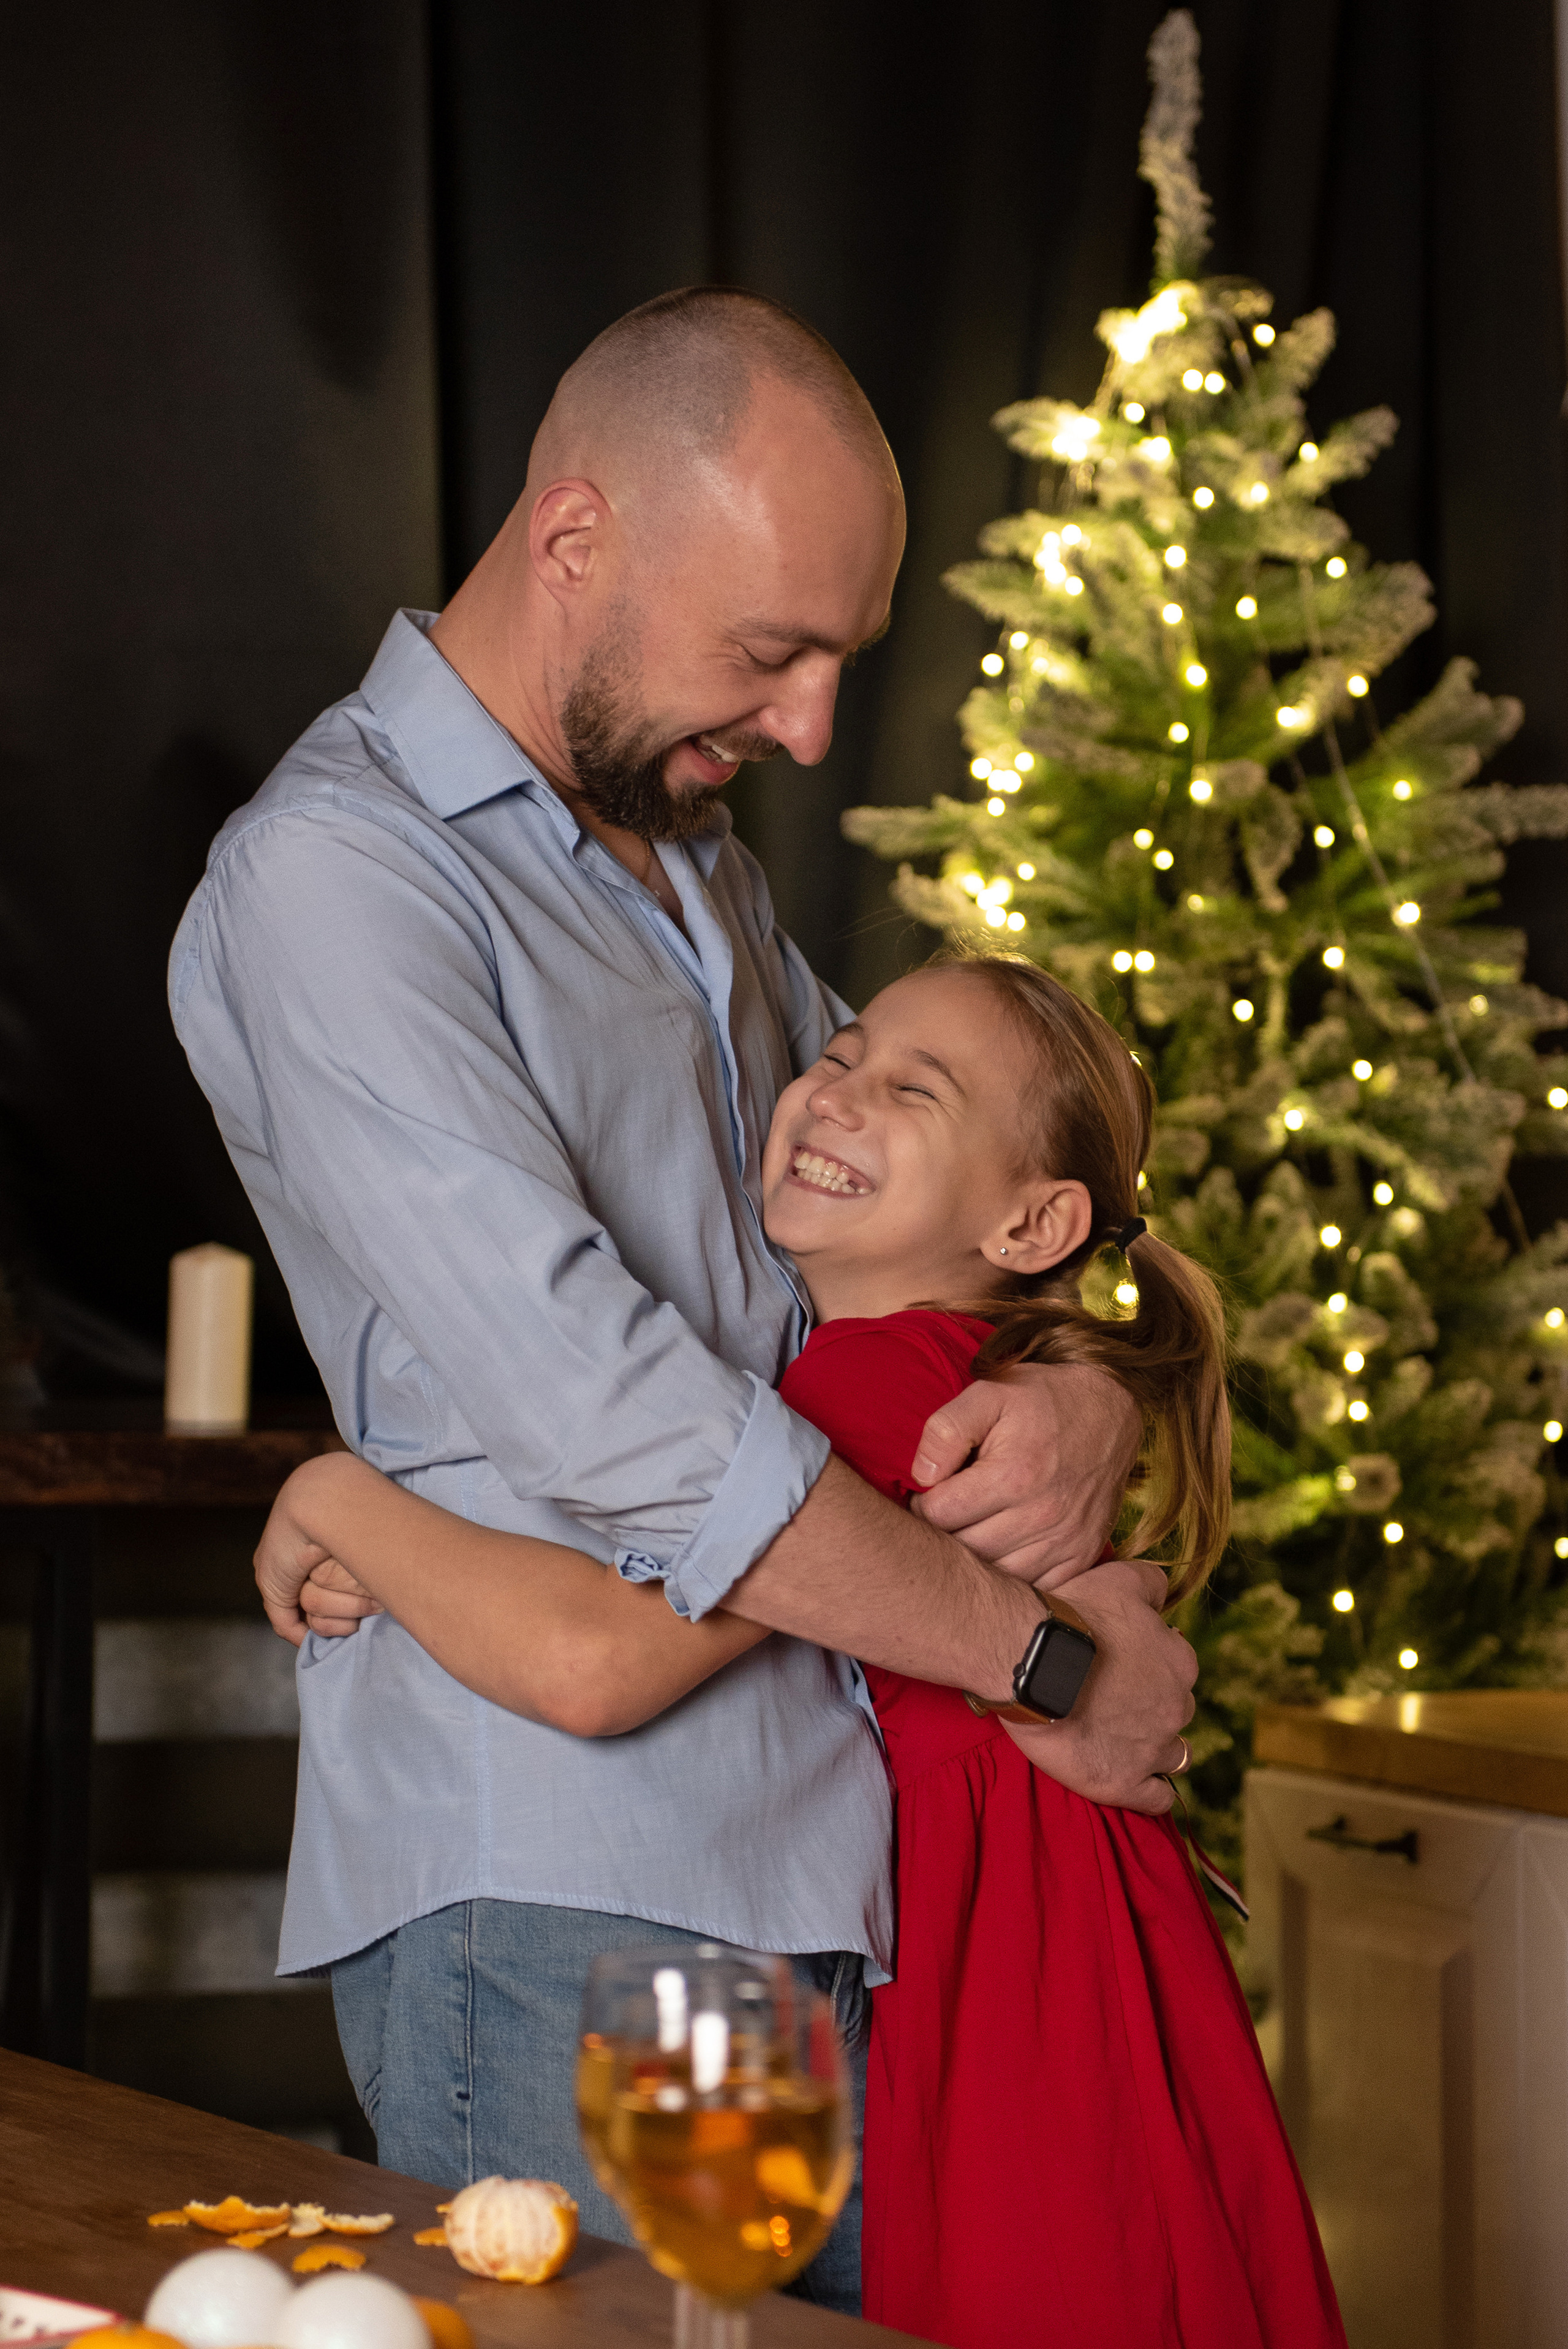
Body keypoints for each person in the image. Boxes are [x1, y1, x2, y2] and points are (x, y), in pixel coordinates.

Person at [172, 286, 1197, 2310]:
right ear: (575, 544)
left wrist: (1112, 1379)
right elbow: (624, 1413)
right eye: (772, 653)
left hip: (830, 1857)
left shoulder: (682, 849)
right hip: (567, 1887)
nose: (812, 727)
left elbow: (971, 1206)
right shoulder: (339, 882)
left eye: (837, 662)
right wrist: (1046, 1657)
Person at [257, 954, 1345, 2348]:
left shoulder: (873, 1385)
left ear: (1033, 1222)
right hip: (1044, 1913)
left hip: (1010, 1940)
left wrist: (340, 1500)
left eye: (912, 1090)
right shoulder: (951, 1367)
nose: (833, 1094)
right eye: (840, 1054)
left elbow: (607, 1658)